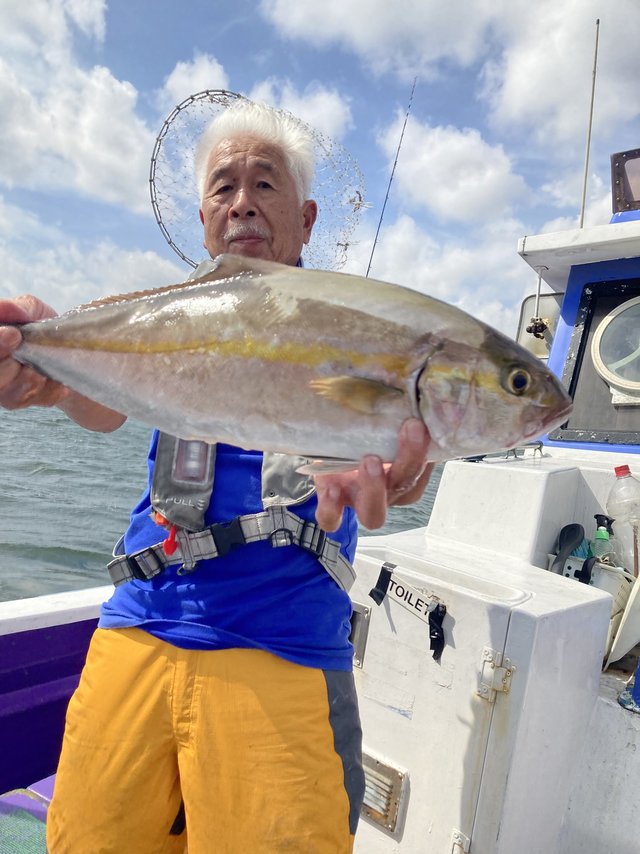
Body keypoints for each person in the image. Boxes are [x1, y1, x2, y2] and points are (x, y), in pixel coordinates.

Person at [0, 97, 432, 853]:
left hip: (282, 646)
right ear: (203, 219)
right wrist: (53, 376)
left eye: (264, 184)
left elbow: (381, 453)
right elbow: (104, 408)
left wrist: (386, 473)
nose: (241, 203)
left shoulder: (360, 332)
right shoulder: (167, 321)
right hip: (137, 624)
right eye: (223, 188)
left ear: (306, 215)